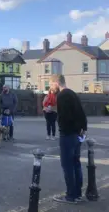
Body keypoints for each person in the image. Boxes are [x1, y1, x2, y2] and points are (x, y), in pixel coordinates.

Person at [49, 74, 87, 204]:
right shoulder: (73, 94)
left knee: (67, 165)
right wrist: (83, 129)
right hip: (77, 135)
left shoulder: (62, 96)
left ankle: (70, 196)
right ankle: (77, 194)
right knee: (76, 164)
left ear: (56, 83)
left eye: (51, 84)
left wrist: (62, 128)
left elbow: (65, 117)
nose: (50, 88)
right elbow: (81, 113)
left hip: (67, 135)